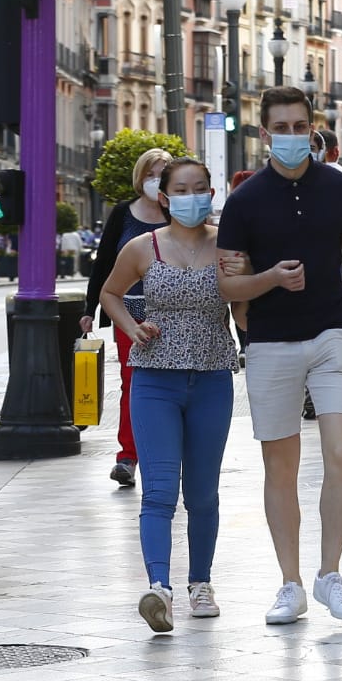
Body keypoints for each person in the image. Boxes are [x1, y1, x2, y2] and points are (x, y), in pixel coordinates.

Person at [216, 85, 342, 624]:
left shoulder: (341, 188)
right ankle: (288, 583)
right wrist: (269, 279)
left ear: (312, 130)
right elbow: (228, 288)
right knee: (281, 467)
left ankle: (330, 574)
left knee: (341, 453)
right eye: (281, 128)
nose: (292, 137)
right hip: (268, 344)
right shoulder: (243, 201)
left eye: (300, 128)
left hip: (332, 334)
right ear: (264, 134)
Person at [98, 158, 237, 634]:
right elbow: (109, 293)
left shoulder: (228, 246)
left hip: (213, 377)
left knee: (203, 493)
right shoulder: (142, 247)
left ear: (212, 192)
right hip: (154, 379)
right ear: (164, 196)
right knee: (159, 492)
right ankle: (159, 588)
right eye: (182, 188)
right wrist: (133, 327)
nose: (192, 196)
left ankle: (201, 583)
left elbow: (243, 302)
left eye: (200, 187)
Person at [84, 149, 172, 488]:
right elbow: (104, 263)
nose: (157, 177)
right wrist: (89, 310)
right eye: (152, 171)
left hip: (170, 315)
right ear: (141, 176)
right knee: (132, 384)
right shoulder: (123, 213)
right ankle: (127, 456)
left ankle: (164, 453)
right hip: (129, 313)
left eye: (164, 171)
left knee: (167, 386)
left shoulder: (175, 212)